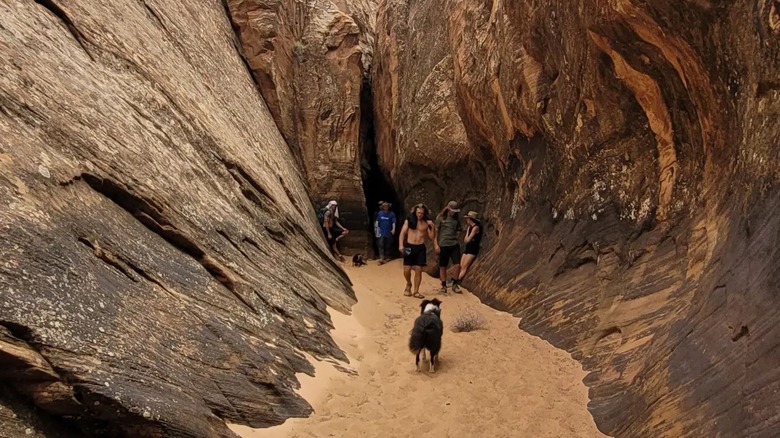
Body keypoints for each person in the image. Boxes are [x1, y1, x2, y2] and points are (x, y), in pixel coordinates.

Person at [398, 203, 435, 298]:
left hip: (420, 248)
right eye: (418, 213)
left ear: (424, 213)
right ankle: (408, 283)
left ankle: (416, 291)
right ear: (415, 212)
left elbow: (431, 237)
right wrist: (401, 245)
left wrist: (433, 227)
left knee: (419, 270)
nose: (419, 215)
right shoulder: (409, 220)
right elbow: (402, 233)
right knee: (407, 270)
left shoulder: (427, 223)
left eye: (421, 213)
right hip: (409, 246)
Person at [434, 201, 462, 294]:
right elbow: (436, 232)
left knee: (457, 264)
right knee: (443, 266)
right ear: (448, 209)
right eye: (452, 210)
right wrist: (436, 244)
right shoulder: (441, 218)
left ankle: (455, 283)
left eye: (455, 211)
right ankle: (443, 285)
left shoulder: (456, 219)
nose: (453, 212)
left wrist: (456, 237)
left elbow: (459, 230)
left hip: (454, 244)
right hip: (443, 244)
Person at [455, 210, 482, 285]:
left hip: (473, 249)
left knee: (464, 266)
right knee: (460, 265)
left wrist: (467, 239)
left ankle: (456, 282)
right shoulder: (469, 228)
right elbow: (465, 240)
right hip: (468, 248)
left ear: (471, 219)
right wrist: (467, 237)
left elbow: (468, 239)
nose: (466, 220)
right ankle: (456, 279)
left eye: (467, 218)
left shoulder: (476, 228)